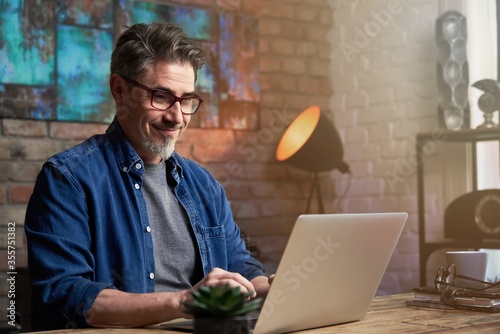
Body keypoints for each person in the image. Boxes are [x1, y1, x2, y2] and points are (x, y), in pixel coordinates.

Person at [24, 22, 271, 331]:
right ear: (119, 90)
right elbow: (65, 295)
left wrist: (269, 287)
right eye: (161, 96)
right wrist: (184, 302)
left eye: (186, 100)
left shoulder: (205, 185)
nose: (177, 117)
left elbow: (239, 265)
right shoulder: (67, 178)